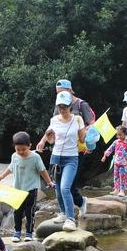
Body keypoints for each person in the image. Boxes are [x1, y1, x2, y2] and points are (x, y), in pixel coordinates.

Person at [36, 79, 92, 217]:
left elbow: (92, 124)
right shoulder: (58, 108)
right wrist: (43, 141)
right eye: (57, 93)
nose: (59, 95)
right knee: (62, 187)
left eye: (62, 92)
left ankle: (72, 214)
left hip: (76, 150)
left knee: (67, 186)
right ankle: (67, 211)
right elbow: (52, 128)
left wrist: (88, 140)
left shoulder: (81, 105)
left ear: (70, 90)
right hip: (59, 152)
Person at [0, 132, 55, 243]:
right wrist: (2, 176)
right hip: (17, 189)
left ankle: (29, 233)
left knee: (30, 212)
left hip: (31, 189)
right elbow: (11, 167)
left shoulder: (35, 157)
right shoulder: (14, 156)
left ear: (30, 146)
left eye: (24, 149)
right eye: (18, 149)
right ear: (15, 147)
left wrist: (49, 182)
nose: (21, 152)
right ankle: (17, 232)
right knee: (17, 212)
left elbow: (42, 171)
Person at [41, 91, 86, 231]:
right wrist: (44, 141)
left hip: (71, 158)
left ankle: (70, 219)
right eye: (60, 106)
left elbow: (83, 139)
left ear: (70, 106)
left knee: (65, 187)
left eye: (65, 106)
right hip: (56, 158)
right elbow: (50, 138)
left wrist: (91, 138)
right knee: (58, 189)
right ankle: (62, 213)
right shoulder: (54, 120)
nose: (62, 109)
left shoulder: (78, 119)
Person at [101, 126, 127, 196]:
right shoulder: (116, 142)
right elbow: (110, 149)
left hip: (124, 163)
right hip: (116, 162)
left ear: (125, 134)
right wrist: (105, 156)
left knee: (123, 176)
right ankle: (116, 189)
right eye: (117, 134)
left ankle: (122, 190)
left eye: (120, 134)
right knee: (116, 176)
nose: (118, 136)